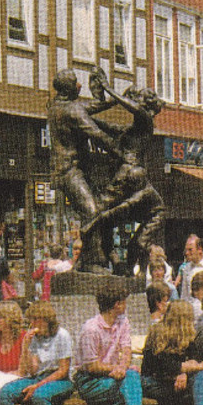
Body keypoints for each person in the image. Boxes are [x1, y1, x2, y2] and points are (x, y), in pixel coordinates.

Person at [80, 84, 166, 271]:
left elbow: (134, 108)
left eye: (137, 99)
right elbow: (107, 126)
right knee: (105, 218)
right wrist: (83, 117)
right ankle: (112, 260)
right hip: (126, 172)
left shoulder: (145, 122)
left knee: (97, 209)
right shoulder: (131, 130)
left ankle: (88, 258)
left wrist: (108, 88)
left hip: (129, 172)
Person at [74, 280, 160, 405]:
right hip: (91, 381)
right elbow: (92, 366)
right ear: (116, 305)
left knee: (131, 381)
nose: (126, 306)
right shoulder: (91, 329)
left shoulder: (122, 322)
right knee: (128, 384)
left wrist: (122, 366)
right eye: (124, 302)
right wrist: (118, 368)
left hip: (116, 376)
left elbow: (127, 349)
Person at [47, 68, 120, 271]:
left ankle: (87, 260)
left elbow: (94, 105)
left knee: (97, 209)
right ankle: (94, 262)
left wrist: (117, 98)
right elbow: (97, 134)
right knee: (92, 211)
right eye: (76, 82)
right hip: (69, 170)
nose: (80, 86)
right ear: (69, 88)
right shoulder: (71, 110)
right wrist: (121, 152)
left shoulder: (56, 105)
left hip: (69, 170)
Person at [0, 301, 74, 405]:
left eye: (37, 320)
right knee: (5, 392)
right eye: (32, 320)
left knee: (39, 396)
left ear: (46, 320)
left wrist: (38, 385)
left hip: (60, 379)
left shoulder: (62, 335)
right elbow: (30, 370)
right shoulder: (36, 338)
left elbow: (63, 370)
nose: (34, 324)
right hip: (38, 376)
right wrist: (25, 347)